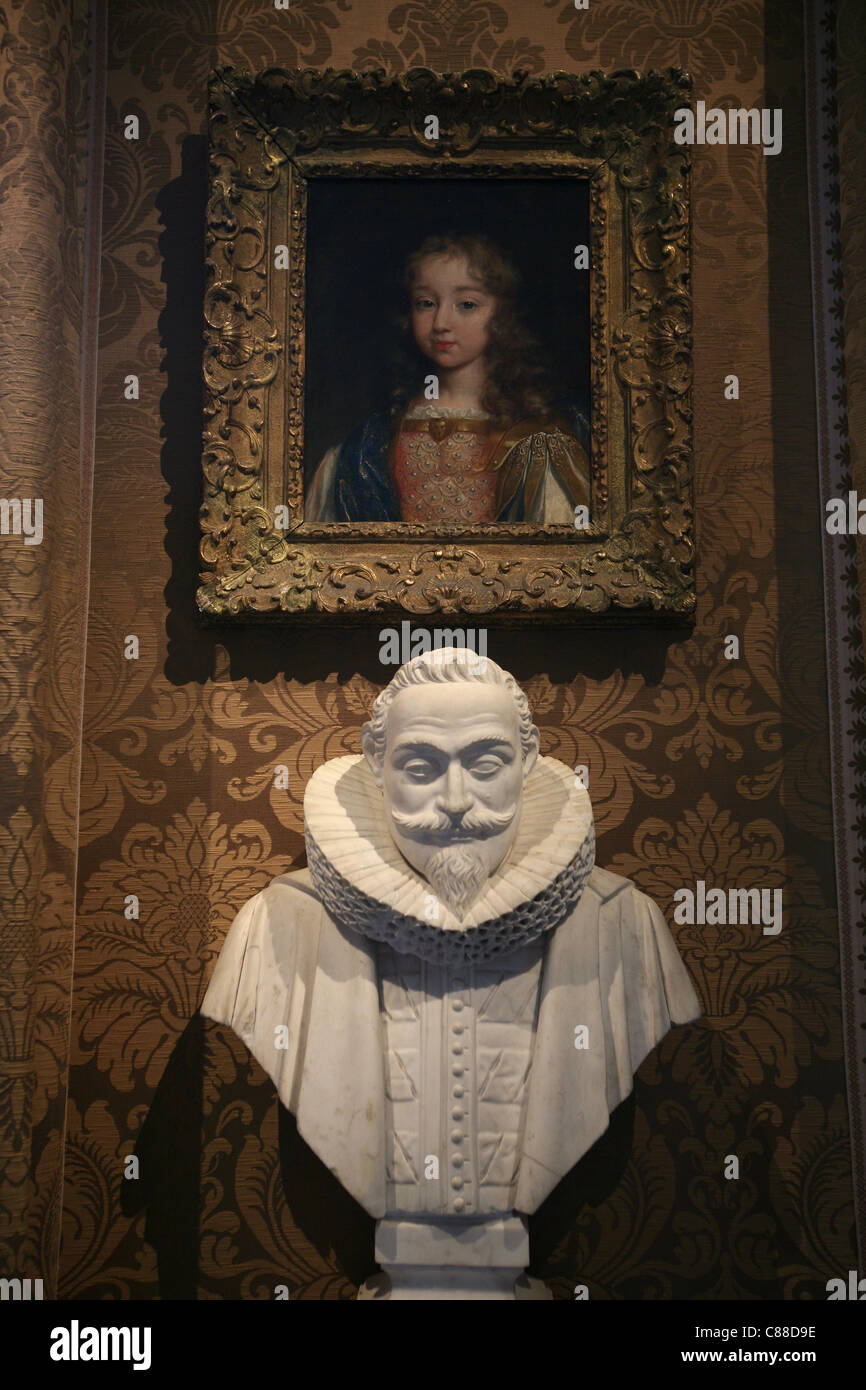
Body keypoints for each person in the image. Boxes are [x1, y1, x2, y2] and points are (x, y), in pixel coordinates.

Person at [201, 648, 701, 1300]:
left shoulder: (623, 926)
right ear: (376, 770)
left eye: (486, 763)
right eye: (421, 766)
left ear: (527, 765)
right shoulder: (274, 929)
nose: (458, 802)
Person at [305, 233, 591, 524]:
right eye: (426, 303)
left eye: (466, 305)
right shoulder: (369, 443)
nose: (441, 323)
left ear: (503, 313)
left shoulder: (539, 439)